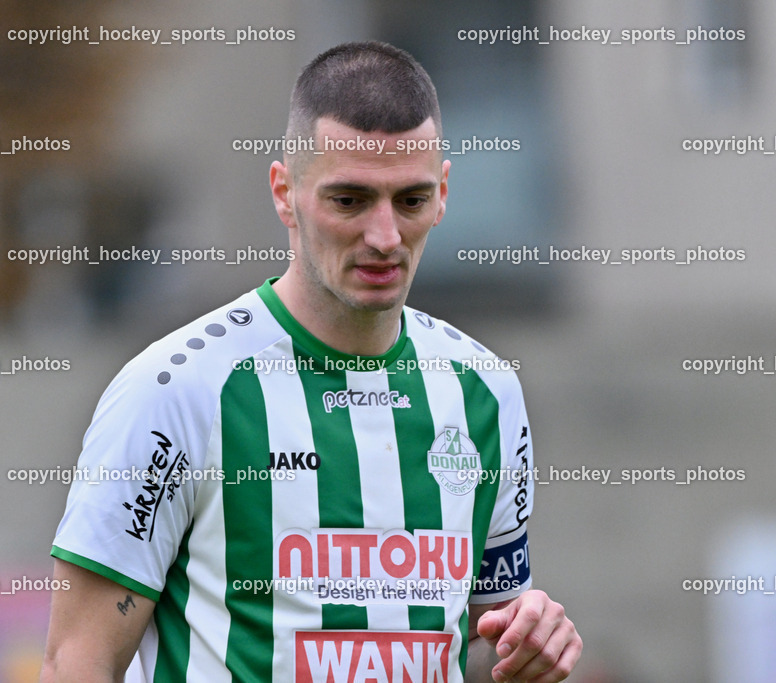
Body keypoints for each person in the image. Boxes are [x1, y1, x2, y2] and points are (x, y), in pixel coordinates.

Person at [41, 41, 581, 682]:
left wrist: (532, 642)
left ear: (442, 196)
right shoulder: (176, 389)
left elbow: (486, 638)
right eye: (349, 200)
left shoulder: (485, 391)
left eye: (409, 201)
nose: (384, 236)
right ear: (284, 193)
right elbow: (77, 663)